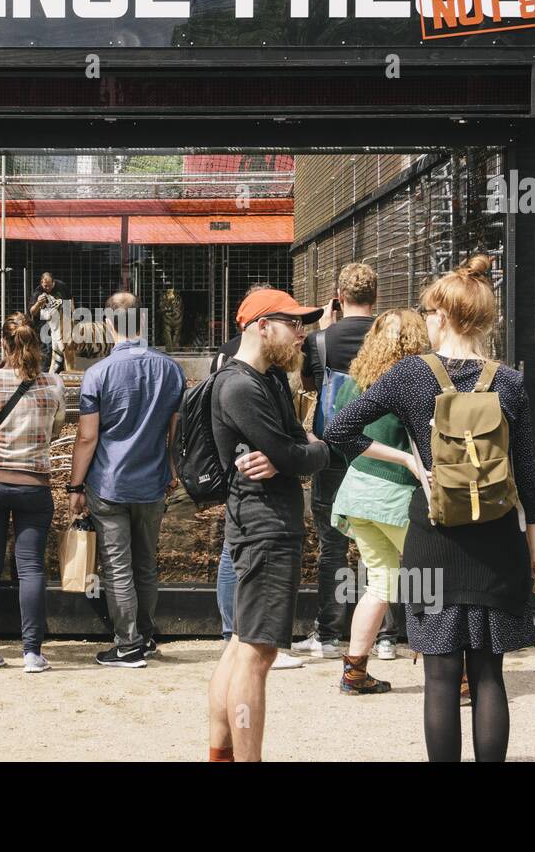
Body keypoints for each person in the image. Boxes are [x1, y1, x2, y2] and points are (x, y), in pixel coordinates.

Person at [325, 254, 535, 762]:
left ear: (442, 316)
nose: (426, 321)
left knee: (441, 676)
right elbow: (528, 479)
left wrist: (408, 457)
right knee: (489, 674)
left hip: (432, 540)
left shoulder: (410, 375)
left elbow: (337, 429)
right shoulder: (509, 382)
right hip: (497, 540)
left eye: (429, 313)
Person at [207, 289, 331, 761]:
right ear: (262, 326)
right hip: (264, 528)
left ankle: (220, 755)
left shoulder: (271, 379)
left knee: (242, 646)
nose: (303, 333)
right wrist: (304, 453)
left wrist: (297, 452)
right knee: (258, 654)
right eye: (293, 323)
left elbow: (293, 449)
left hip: (265, 525)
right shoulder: (241, 386)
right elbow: (298, 454)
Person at [68, 292, 186, 667]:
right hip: (152, 481)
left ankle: (127, 645)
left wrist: (75, 485)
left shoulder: (97, 373)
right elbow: (174, 429)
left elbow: (87, 437)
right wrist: (171, 467)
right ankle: (146, 638)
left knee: (117, 565)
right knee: (146, 564)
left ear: (107, 324)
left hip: (108, 483)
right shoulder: (171, 369)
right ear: (144, 323)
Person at [327, 309, 429, 693]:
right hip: (395, 495)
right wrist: (404, 459)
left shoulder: (355, 380)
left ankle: (354, 674)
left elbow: (340, 434)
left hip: (356, 492)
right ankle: (456, 677)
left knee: (380, 583)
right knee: (435, 581)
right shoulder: (414, 382)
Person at [294, 262, 391, 661]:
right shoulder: (390, 338)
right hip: (383, 453)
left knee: (333, 545)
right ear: (377, 297)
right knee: (384, 546)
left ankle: (329, 635)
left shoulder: (318, 342)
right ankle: (385, 638)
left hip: (333, 452)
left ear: (338, 295)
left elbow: (310, 386)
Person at [0, 313, 66, 673]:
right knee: (30, 567)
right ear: (38, 347)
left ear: (2, 345)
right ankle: (31, 653)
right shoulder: (53, 385)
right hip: (33, 484)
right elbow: (56, 429)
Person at [29, 272, 70, 374]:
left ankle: (60, 374)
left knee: (62, 348)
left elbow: (70, 301)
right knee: (48, 349)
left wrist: (71, 317)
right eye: (45, 286)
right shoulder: (38, 292)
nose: (47, 288)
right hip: (45, 325)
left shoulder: (61, 287)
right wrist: (38, 303)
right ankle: (46, 374)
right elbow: (32, 312)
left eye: (49, 286)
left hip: (61, 323)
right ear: (41, 283)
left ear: (53, 282)